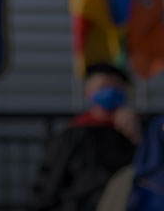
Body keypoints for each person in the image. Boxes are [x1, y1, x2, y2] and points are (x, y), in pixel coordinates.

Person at [31, 63, 143, 211]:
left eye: (116, 87)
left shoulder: (140, 131)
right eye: (103, 86)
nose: (111, 92)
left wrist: (137, 136)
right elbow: (50, 181)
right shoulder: (74, 133)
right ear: (88, 92)